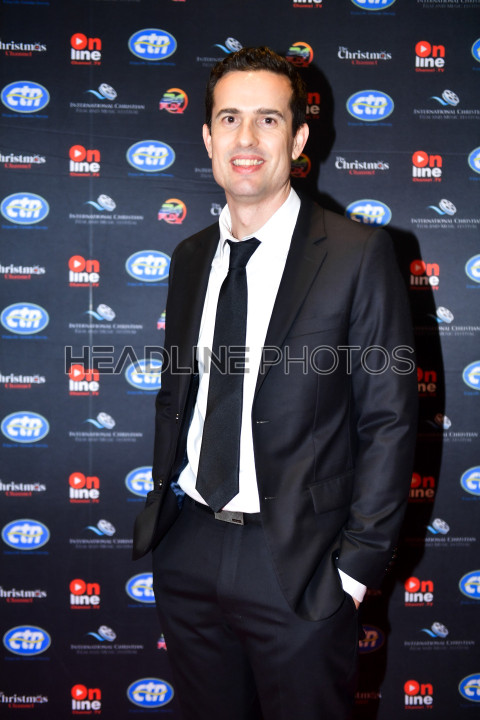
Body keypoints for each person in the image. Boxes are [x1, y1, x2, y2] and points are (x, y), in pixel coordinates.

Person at [133, 46, 417, 720]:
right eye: (229, 119)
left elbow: (388, 420)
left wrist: (353, 572)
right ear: (208, 138)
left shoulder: (357, 254)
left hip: (300, 563)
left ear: (299, 138)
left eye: (268, 119)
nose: (247, 138)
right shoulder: (190, 257)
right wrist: (167, 533)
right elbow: (180, 395)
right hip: (189, 546)